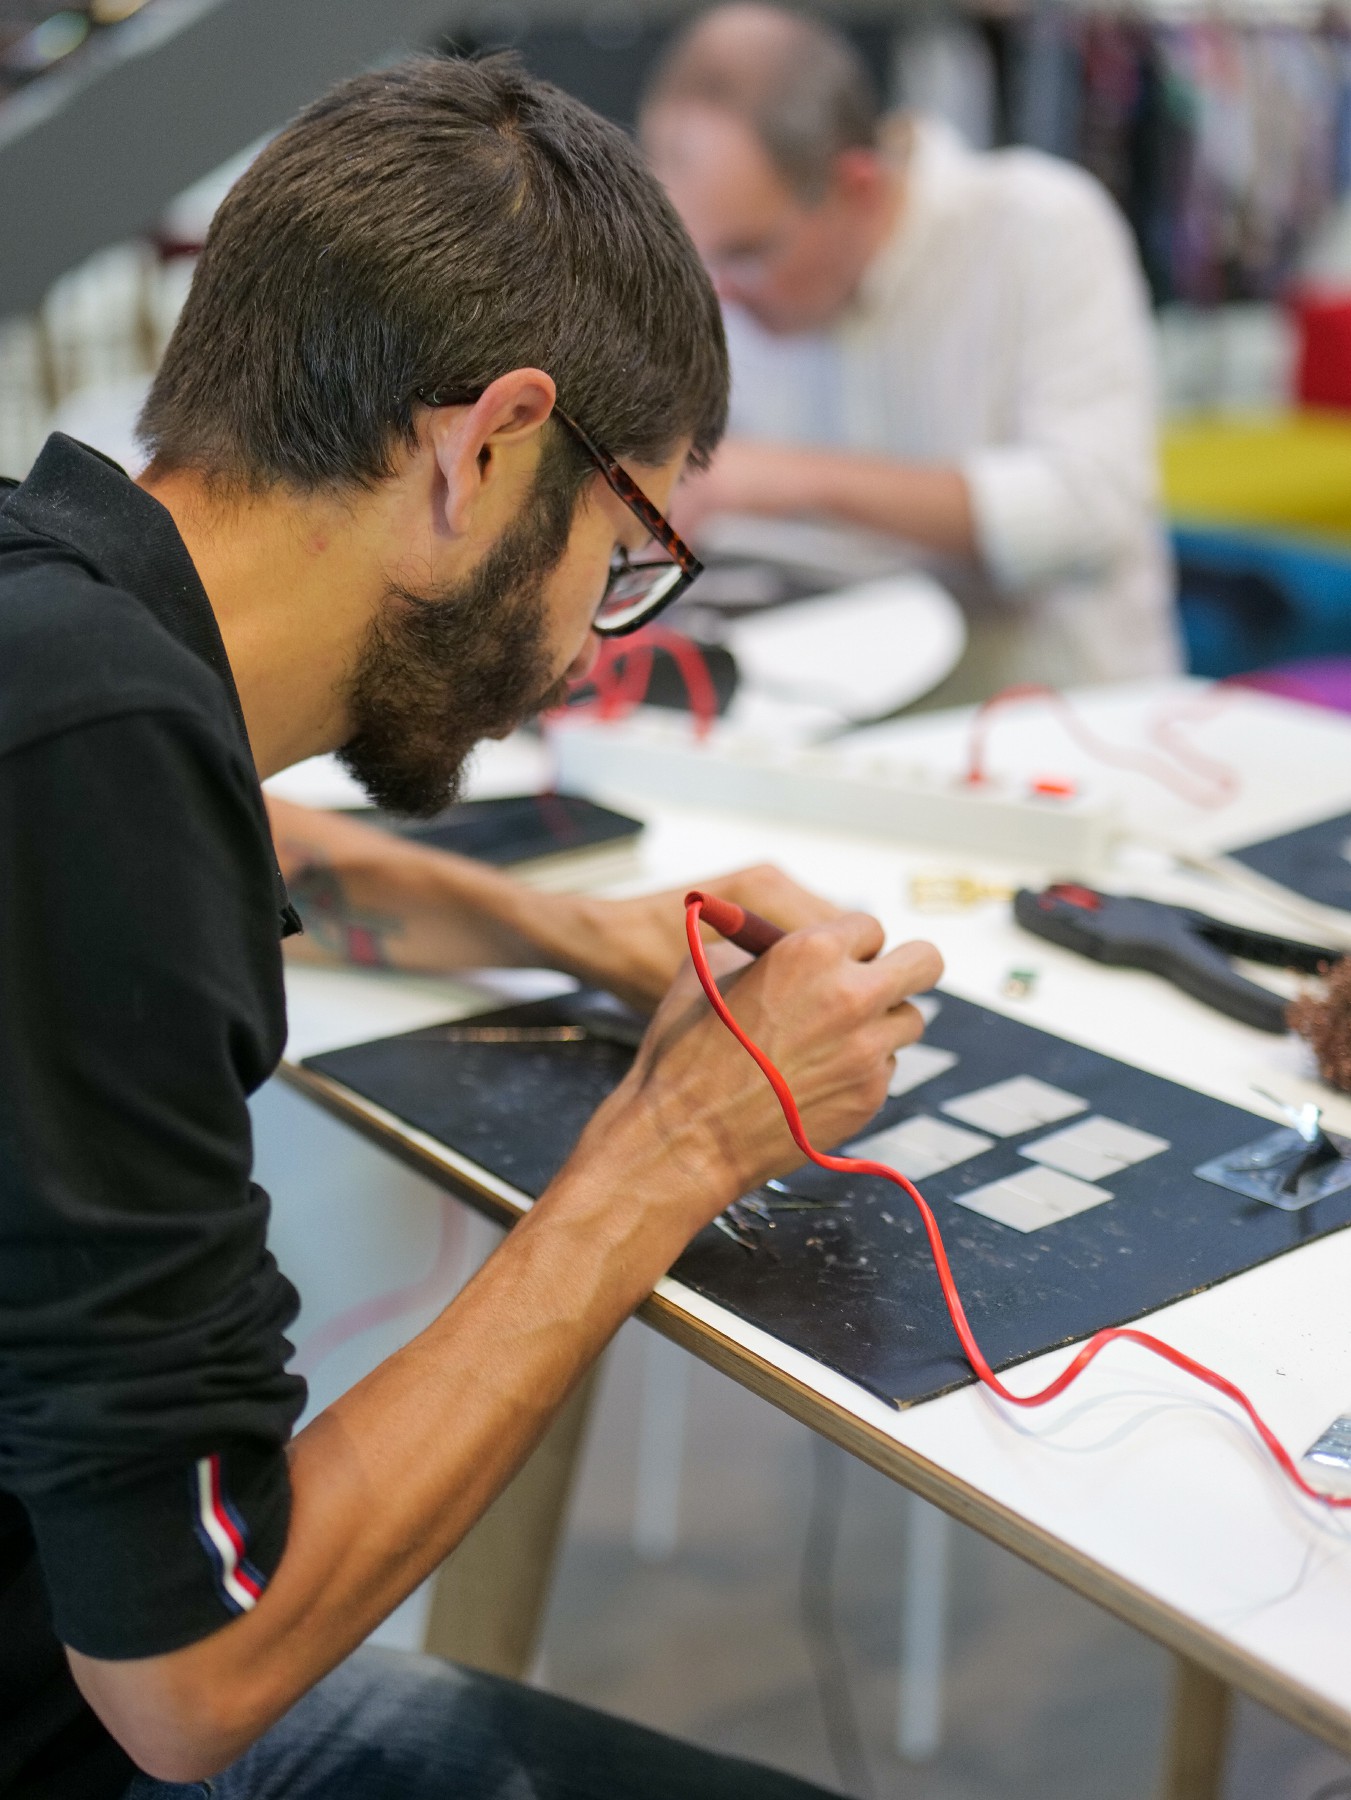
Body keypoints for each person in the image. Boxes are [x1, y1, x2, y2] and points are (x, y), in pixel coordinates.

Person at [0, 54, 943, 1800]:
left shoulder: (58, 626)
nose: (590, 641)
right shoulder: (95, 758)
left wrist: (581, 936)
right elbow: (194, 1676)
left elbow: (248, 832)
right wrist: (679, 1141)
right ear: (488, 448)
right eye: (622, 553)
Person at [640, 4, 1182, 700]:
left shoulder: (1039, 228)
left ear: (856, 188)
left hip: (1066, 717)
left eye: (749, 253)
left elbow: (1089, 507)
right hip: (831, 718)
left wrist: (792, 479)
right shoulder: (748, 288)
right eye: (698, 258)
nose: (721, 293)